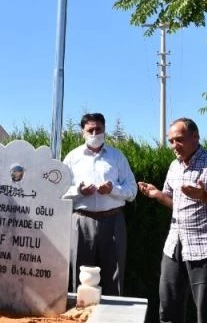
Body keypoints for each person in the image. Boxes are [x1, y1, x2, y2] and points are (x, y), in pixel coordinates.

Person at [138, 118, 207, 323]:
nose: (174, 146)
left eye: (179, 140)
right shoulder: (174, 166)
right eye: (171, 141)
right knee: (168, 309)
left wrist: (203, 195)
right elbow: (175, 203)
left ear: (195, 137)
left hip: (206, 248)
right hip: (174, 246)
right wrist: (158, 194)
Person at [62, 112, 136, 296]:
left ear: (105, 130)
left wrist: (113, 189)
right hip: (81, 221)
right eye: (90, 130)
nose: (95, 133)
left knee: (114, 274)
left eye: (99, 129)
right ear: (82, 132)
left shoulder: (117, 157)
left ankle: (113, 311)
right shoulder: (72, 157)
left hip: (113, 220)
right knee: (80, 273)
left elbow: (132, 190)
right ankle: (80, 310)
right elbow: (59, 191)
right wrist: (78, 191)